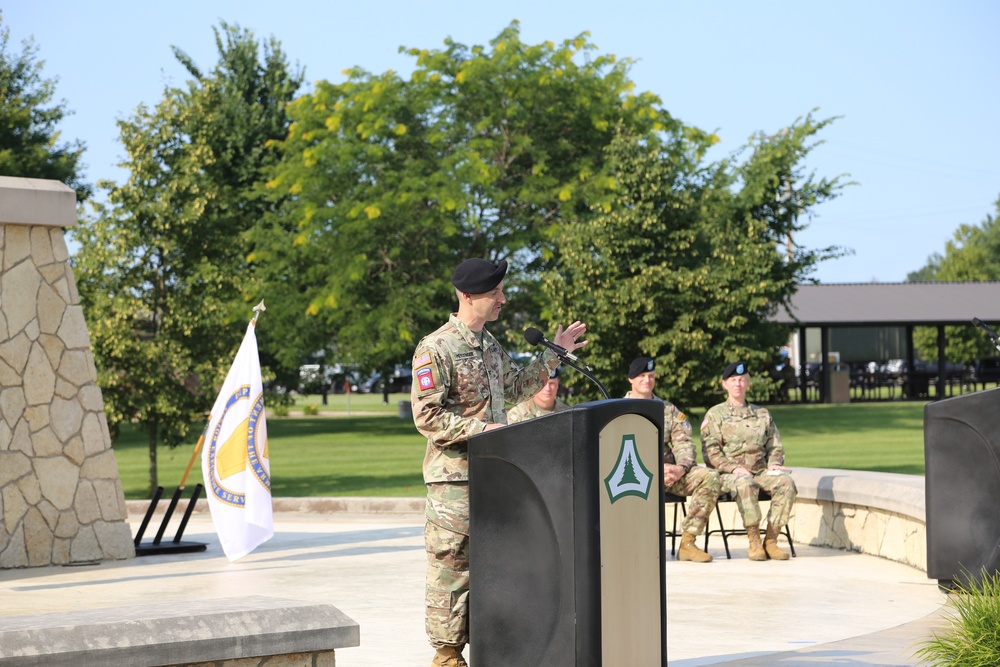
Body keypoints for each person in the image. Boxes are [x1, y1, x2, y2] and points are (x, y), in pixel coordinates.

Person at [410, 257, 588, 667]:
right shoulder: (435, 348)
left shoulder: (491, 347)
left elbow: (519, 387)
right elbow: (428, 416)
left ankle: (497, 648)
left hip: (497, 478)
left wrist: (554, 355)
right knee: (452, 570)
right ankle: (447, 656)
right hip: (455, 482)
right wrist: (481, 431)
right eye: (496, 294)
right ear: (470, 297)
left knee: (499, 565)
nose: (503, 300)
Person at [624, 356, 720, 563]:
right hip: (636, 478)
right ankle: (633, 547)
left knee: (709, 477)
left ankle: (688, 543)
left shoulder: (668, 410)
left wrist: (681, 469)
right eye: (641, 376)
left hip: (671, 476)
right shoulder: (618, 411)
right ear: (631, 379)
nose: (647, 380)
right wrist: (655, 469)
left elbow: (684, 443)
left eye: (650, 376)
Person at [700, 360, 797, 561]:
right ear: (725, 384)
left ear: (748, 384)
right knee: (745, 483)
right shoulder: (715, 414)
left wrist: (774, 463)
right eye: (733, 380)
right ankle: (754, 541)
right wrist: (733, 468)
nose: (738, 384)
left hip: (760, 471)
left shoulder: (762, 414)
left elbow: (775, 445)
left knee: (786, 483)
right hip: (728, 475)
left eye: (742, 380)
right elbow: (711, 453)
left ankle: (771, 540)